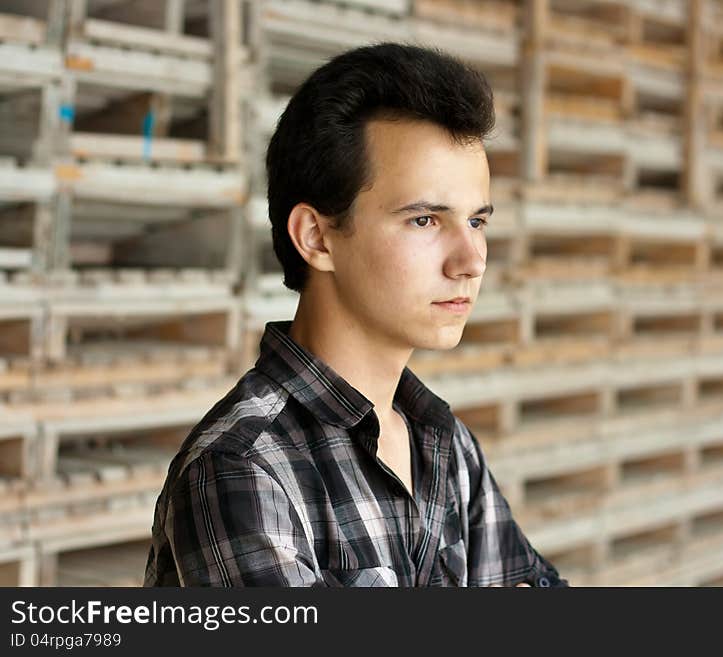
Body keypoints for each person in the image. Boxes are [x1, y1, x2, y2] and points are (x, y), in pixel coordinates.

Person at [144, 42, 567, 587]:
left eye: (477, 222)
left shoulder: (444, 444)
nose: (471, 261)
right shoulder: (243, 470)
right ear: (316, 237)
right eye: (425, 221)